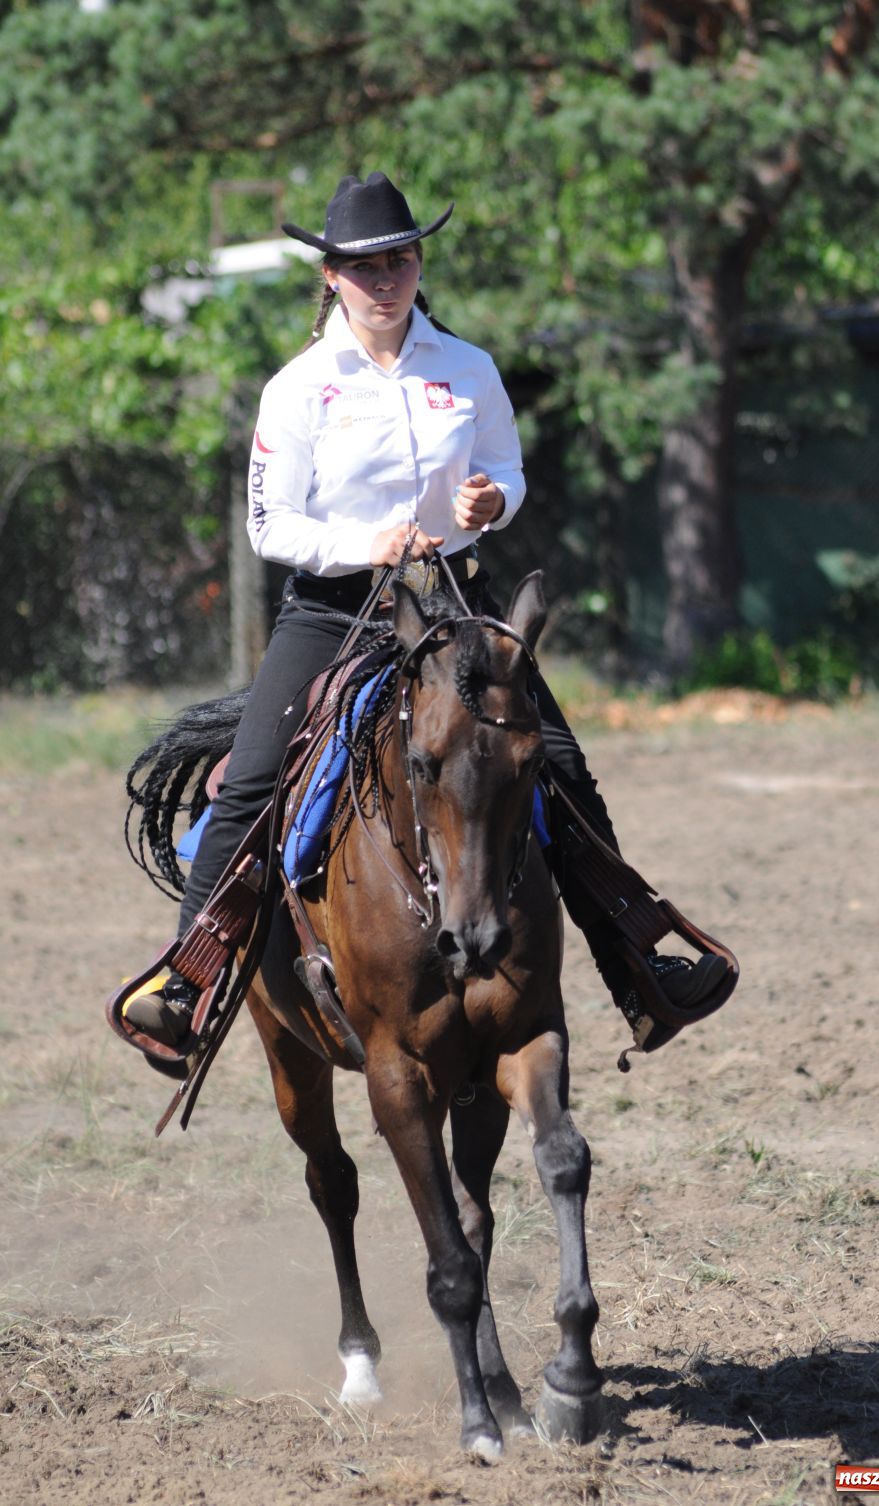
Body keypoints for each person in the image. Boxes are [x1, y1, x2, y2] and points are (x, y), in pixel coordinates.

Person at [124, 171, 726, 1056]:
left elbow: (507, 470)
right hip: (335, 612)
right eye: (364, 267)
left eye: (399, 261)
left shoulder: (469, 368)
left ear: (418, 264)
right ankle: (186, 981)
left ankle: (638, 968)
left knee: (561, 766)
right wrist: (366, 543)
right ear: (331, 275)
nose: (385, 280)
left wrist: (494, 501)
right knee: (252, 780)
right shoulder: (298, 388)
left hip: (456, 604)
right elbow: (269, 525)